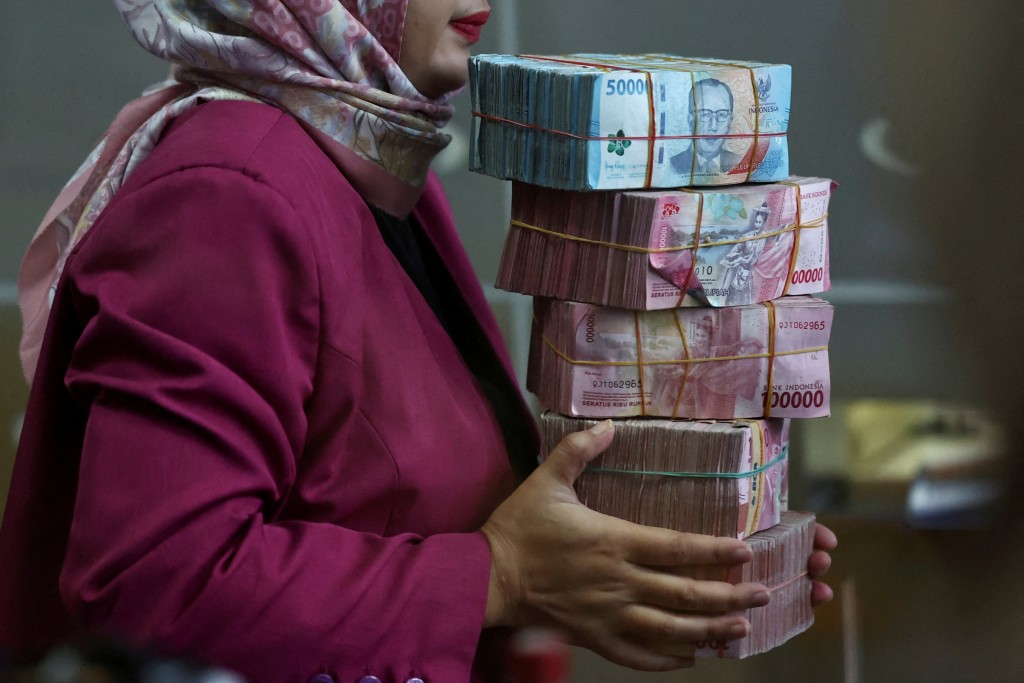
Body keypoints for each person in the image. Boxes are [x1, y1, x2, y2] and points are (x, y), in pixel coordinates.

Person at [0, 3, 837, 682]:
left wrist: (673, 531)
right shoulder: (230, 192)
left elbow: (391, 497)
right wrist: (503, 575)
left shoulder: (366, 156)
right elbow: (153, 594)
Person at [668, 77, 744, 178]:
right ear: (690, 121)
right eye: (705, 114)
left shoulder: (740, 162)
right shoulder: (671, 167)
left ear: (730, 121)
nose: (713, 126)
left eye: (721, 115)